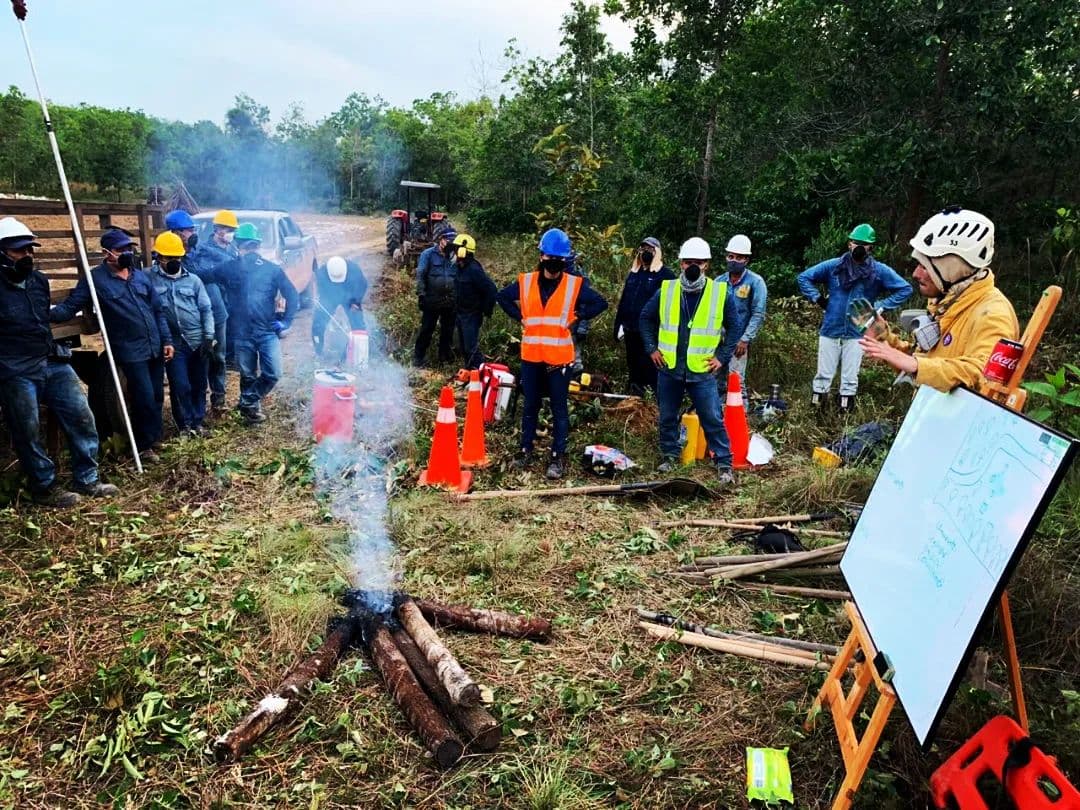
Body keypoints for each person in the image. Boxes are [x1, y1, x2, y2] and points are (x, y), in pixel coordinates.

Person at [0, 217, 117, 506]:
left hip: (50, 358)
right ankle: (44, 487)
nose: (27, 255)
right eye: (19, 251)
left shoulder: (39, 281)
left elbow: (49, 315)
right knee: (26, 428)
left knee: (81, 413)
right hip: (15, 367)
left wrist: (80, 297)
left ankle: (87, 477)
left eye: (30, 250)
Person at [859, 207, 1019, 393]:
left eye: (925, 266)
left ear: (953, 268)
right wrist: (885, 339)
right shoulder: (949, 302)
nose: (916, 273)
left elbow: (984, 375)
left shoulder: (993, 313)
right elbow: (924, 365)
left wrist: (916, 365)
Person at [51, 228, 174, 464]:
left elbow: (158, 311)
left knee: (158, 395)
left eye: (129, 248)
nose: (127, 253)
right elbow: (71, 305)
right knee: (143, 397)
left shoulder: (140, 277)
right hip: (129, 350)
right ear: (106, 253)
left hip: (154, 345)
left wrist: (167, 340)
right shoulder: (95, 279)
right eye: (121, 250)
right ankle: (142, 447)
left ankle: (153, 437)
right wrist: (45, 315)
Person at [496, 228, 608, 479]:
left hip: (559, 359)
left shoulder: (574, 285)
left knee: (559, 409)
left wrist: (577, 317)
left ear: (565, 261)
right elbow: (501, 297)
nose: (555, 264)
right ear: (542, 257)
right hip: (532, 356)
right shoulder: (526, 283)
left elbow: (600, 303)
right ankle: (525, 450)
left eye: (560, 260)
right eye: (551, 259)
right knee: (530, 406)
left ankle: (558, 456)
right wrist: (520, 318)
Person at [639, 237, 741, 487]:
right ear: (681, 263)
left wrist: (722, 357)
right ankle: (669, 455)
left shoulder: (720, 293)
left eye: (697, 262)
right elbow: (645, 318)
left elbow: (736, 326)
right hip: (670, 367)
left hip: (702, 370)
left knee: (712, 417)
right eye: (687, 262)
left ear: (706, 264)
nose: (692, 267)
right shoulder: (667, 289)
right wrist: (652, 348)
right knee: (667, 415)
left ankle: (724, 464)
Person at [797, 223, 912, 410]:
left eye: (863, 244)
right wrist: (818, 298)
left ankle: (845, 411)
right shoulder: (834, 266)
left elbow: (905, 288)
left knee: (850, 376)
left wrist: (879, 307)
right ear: (849, 243)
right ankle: (817, 409)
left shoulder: (877, 271)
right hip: (831, 326)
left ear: (870, 247)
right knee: (823, 373)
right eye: (855, 242)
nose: (858, 247)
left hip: (858, 329)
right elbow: (804, 277)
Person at [227, 222, 297, 425]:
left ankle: (246, 401)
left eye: (251, 246)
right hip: (242, 333)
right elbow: (206, 276)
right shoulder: (231, 269)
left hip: (267, 331)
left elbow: (292, 295)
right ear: (238, 247)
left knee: (273, 372)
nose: (248, 250)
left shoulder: (272, 270)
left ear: (257, 246)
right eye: (244, 246)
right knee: (247, 374)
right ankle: (251, 412)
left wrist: (286, 322)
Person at [149, 232, 214, 435]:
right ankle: (185, 425)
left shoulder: (194, 281)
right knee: (180, 386)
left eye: (177, 257)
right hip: (173, 343)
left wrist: (209, 337)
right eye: (169, 258)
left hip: (196, 339)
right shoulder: (149, 279)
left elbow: (206, 309)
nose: (174, 262)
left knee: (199, 384)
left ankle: (198, 422)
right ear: (158, 257)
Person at [613, 237, 676, 393]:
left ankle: (650, 398)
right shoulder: (634, 274)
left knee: (648, 366)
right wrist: (618, 325)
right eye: (642, 249)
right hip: (630, 329)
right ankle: (634, 394)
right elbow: (624, 300)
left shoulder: (666, 275)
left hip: (651, 331)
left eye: (649, 249)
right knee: (633, 364)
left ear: (657, 252)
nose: (645, 252)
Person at [190, 209, 237, 413]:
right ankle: (198, 399)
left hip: (223, 311)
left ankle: (219, 398)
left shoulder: (233, 249)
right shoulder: (203, 252)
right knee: (205, 356)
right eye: (226, 229)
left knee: (220, 356)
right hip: (207, 312)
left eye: (232, 229)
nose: (229, 232)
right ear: (217, 229)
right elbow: (203, 278)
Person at [715, 234, 767, 400]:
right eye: (730, 256)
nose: (733, 261)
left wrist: (745, 339)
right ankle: (717, 416)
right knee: (715, 379)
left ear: (746, 260)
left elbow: (758, 313)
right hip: (718, 340)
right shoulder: (719, 281)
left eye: (738, 257)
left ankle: (740, 417)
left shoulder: (755, 282)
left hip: (739, 341)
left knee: (736, 380)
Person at [450, 233, 498, 369]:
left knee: (471, 349)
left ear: (463, 251)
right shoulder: (460, 268)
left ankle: (481, 374)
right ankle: (471, 374)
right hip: (461, 313)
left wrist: (486, 310)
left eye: (456, 249)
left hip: (471, 315)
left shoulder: (474, 270)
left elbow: (491, 290)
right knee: (464, 348)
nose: (454, 252)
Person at [413, 228, 458, 367]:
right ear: (441, 240)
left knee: (448, 331)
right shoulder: (428, 254)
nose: (451, 245)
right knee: (427, 329)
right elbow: (420, 274)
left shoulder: (455, 256)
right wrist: (421, 294)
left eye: (453, 242)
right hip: (432, 299)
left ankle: (444, 358)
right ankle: (418, 358)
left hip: (450, 300)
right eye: (448, 241)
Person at [312, 255, 368, 359]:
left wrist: (356, 302)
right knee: (318, 322)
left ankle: (361, 352)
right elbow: (321, 290)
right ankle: (318, 352)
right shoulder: (322, 273)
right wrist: (321, 303)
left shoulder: (354, 270)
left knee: (358, 323)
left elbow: (363, 285)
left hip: (350, 298)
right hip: (330, 296)